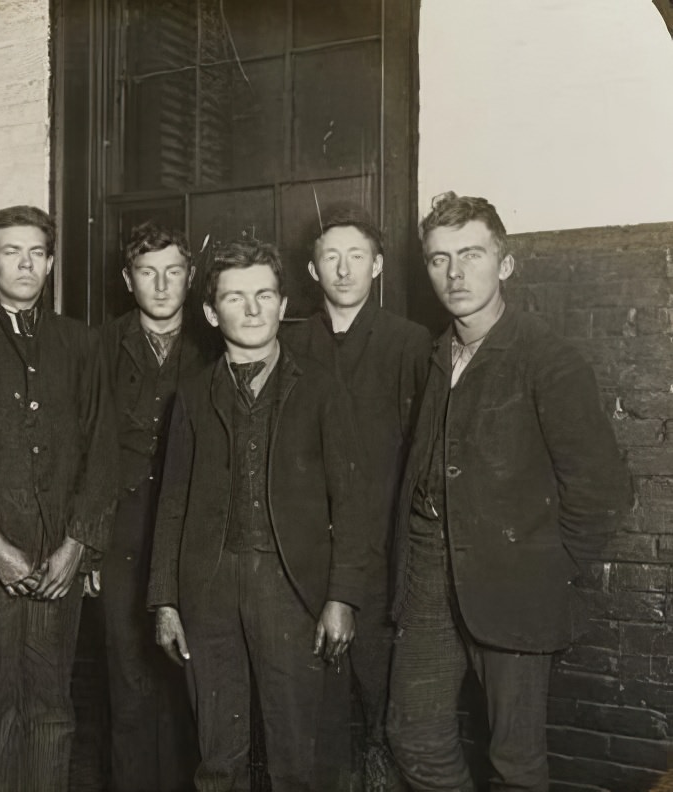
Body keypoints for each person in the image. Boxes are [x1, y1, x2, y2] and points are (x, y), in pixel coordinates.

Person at [386, 192, 631, 791]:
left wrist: (546, 566)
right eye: (439, 259)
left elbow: (603, 491)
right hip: (429, 585)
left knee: (515, 762)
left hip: (516, 589)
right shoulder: (432, 357)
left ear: (506, 262)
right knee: (413, 736)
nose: (455, 273)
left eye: (471, 254)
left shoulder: (549, 359)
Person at [148, 239, 375, 792]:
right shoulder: (193, 396)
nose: (251, 309)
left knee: (295, 755)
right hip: (209, 586)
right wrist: (165, 599)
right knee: (217, 758)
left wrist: (342, 596)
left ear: (282, 303)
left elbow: (350, 504)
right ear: (209, 312)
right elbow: (172, 501)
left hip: (290, 587)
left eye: (264, 295)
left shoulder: (322, 389)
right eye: (234, 298)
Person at [0, 205, 116, 792]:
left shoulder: (80, 343)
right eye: (11, 251)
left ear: (50, 263)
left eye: (37, 252)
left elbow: (102, 453)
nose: (25, 263)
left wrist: (76, 548)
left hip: (56, 561)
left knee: (51, 707)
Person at [283, 208, 430, 789]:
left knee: (384, 710)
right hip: (304, 557)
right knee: (314, 712)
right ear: (312, 270)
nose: (343, 269)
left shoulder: (409, 342)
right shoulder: (289, 341)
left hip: (382, 558)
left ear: (379, 265)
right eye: (330, 257)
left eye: (357, 256)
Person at [99, 222, 205, 791]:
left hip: (197, 536)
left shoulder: (216, 343)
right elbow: (87, 449)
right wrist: (89, 542)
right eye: (147, 272)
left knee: (193, 689)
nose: (161, 285)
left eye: (173, 272)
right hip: (122, 539)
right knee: (130, 688)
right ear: (127, 279)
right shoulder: (101, 346)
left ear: (191, 277)